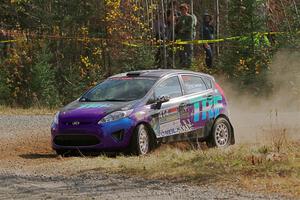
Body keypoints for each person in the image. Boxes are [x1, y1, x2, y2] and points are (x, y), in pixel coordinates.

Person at [175, 3, 193, 68]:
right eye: (181, 10)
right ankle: (182, 65)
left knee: (189, 52)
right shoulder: (180, 18)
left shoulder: (190, 17)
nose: (182, 11)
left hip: (187, 37)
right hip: (180, 38)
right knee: (181, 52)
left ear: (186, 10)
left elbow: (190, 27)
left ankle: (190, 66)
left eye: (183, 9)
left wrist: (183, 29)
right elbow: (177, 27)